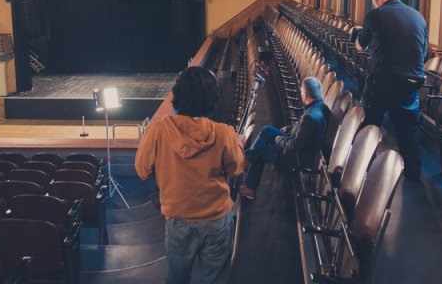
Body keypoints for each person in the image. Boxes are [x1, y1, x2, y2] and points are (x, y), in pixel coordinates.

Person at [135, 66, 246, 284]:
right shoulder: (224, 133)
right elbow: (236, 169)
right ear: (213, 97)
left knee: (177, 278)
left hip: (178, 217)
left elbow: (142, 171)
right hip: (216, 218)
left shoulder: (157, 130)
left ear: (178, 95)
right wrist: (239, 145)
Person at [356, 0, 427, 182]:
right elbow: (423, 51)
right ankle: (413, 175)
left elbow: (361, 46)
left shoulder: (375, 15)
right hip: (412, 81)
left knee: (370, 122)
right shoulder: (418, 16)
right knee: (408, 129)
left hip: (385, 80)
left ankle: (365, 166)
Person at [238, 76, 329, 200]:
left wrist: (277, 140)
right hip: (297, 142)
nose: (300, 93)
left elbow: (295, 144)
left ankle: (250, 187)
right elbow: (306, 130)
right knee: (266, 130)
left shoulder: (310, 117)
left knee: (262, 153)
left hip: (293, 157)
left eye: (301, 91)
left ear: (306, 95)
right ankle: (247, 159)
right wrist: (291, 127)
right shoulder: (319, 106)